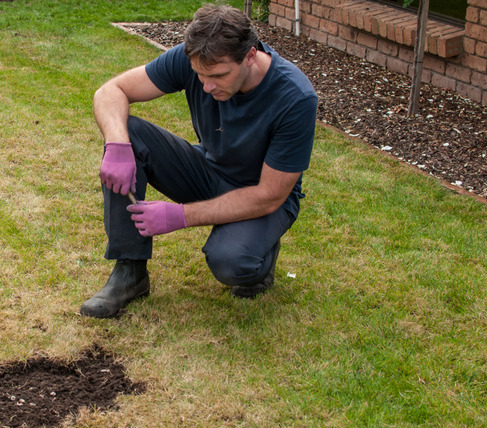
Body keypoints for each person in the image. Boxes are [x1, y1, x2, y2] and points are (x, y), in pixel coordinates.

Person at [80, 4, 318, 318]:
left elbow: (269, 195)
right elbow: (111, 91)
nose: (206, 86)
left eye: (218, 76)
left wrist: (179, 215)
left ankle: (260, 253)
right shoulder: (195, 59)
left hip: (263, 196)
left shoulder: (295, 98)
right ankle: (130, 273)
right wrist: (117, 143)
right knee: (131, 133)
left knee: (232, 263)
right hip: (208, 170)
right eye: (199, 76)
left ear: (250, 55)